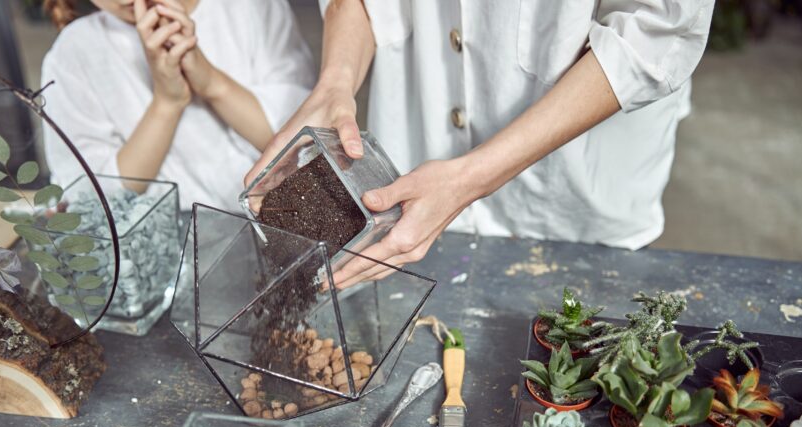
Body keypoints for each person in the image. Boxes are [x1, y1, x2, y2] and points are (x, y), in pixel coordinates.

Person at [247, 1, 715, 288]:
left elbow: (658, 29)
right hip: (420, 151)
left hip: (577, 180)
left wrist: (470, 177)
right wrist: (336, 81)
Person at [41, 0, 315, 209]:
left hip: (285, 213)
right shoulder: (72, 54)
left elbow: (308, 142)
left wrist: (210, 82)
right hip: (173, 250)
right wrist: (167, 103)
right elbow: (92, 197)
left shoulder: (250, 7)